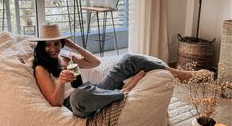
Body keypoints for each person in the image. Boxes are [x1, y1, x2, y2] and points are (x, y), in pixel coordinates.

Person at [32, 24, 194, 118]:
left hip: (94, 89)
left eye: (56, 44)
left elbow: (95, 62)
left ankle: (177, 73)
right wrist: (61, 81)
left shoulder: (65, 57)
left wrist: (73, 46)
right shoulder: (41, 68)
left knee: (128, 59)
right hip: (76, 102)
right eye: (48, 45)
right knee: (79, 94)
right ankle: (124, 91)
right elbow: (55, 102)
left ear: (61, 44)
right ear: (41, 46)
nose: (53, 48)